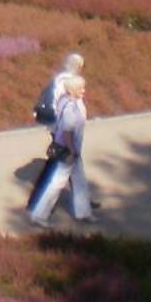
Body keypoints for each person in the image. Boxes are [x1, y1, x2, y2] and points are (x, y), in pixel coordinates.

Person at [27, 73, 95, 227]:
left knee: (79, 181)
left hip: (72, 149)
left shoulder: (67, 100)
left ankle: (84, 212)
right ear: (72, 90)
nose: (84, 90)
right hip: (68, 150)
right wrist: (72, 151)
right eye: (81, 88)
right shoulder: (70, 107)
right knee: (57, 183)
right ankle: (39, 214)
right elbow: (67, 132)